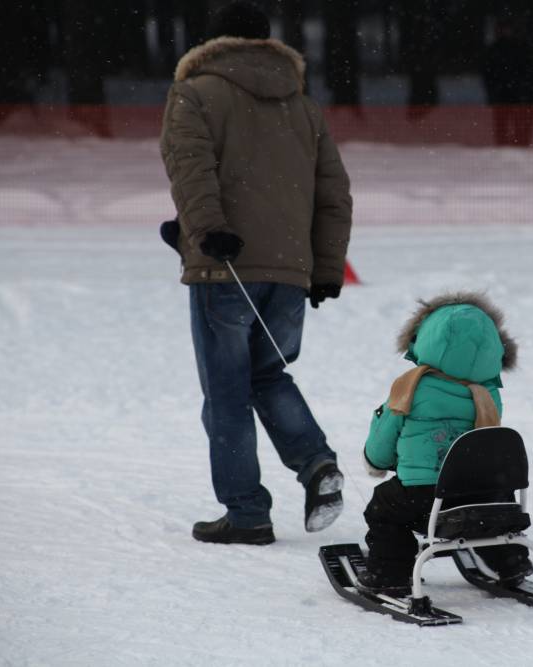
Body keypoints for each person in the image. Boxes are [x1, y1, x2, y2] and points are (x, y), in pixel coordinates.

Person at [159, 2, 353, 545]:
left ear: (211, 41)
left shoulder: (194, 94)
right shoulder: (304, 107)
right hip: (289, 269)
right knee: (267, 376)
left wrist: (206, 231)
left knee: (226, 393)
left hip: (225, 268)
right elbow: (333, 194)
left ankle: (246, 514)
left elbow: (191, 172)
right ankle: (316, 466)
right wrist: (326, 267)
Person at [357, 292, 533, 595]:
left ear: (426, 339)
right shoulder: (489, 395)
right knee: (486, 516)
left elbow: (383, 443)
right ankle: (510, 560)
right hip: (485, 494)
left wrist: (376, 462)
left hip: (425, 497)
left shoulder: (410, 388)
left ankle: (389, 572)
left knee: (384, 508)